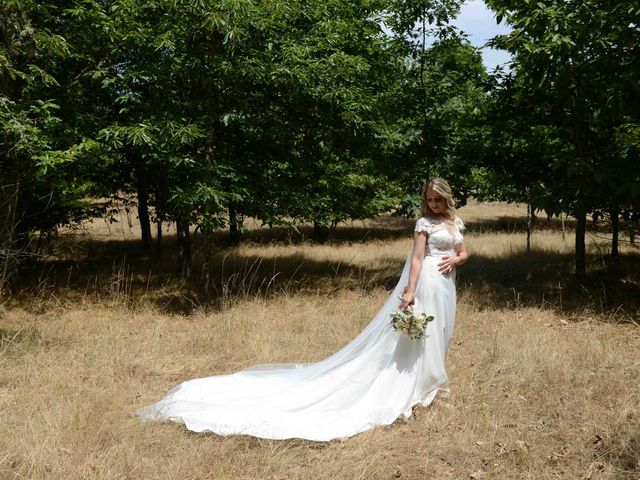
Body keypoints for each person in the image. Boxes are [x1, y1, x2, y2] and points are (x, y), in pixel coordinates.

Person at [137, 178, 468, 441]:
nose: (433, 204)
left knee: (440, 331)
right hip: (425, 281)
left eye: (438, 199)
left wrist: (456, 259)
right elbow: (418, 258)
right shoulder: (423, 223)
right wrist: (409, 290)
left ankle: (432, 381)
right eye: (429, 199)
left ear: (447, 199)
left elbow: (464, 252)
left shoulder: (456, 222)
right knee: (421, 332)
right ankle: (425, 385)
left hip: (447, 285)